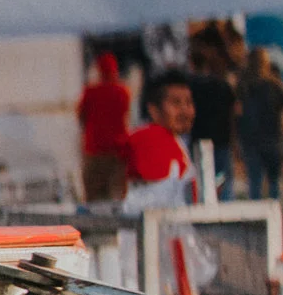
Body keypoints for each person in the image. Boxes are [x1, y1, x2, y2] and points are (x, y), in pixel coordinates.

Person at [122, 70, 196, 209]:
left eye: (188, 102)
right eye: (176, 103)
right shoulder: (149, 139)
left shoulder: (174, 140)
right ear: (154, 110)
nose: (185, 110)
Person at [77, 52, 132, 203]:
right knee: (117, 198)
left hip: (94, 152)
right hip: (117, 152)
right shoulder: (123, 91)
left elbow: (81, 117)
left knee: (93, 199)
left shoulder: (90, 92)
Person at [236, 50, 283, 200]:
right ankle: (277, 214)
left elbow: (237, 112)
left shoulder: (242, 86)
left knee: (255, 181)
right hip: (272, 138)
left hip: (251, 139)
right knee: (275, 181)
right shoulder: (274, 84)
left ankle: (257, 218)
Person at [185, 42, 237, 197]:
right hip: (222, 139)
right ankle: (228, 215)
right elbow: (233, 111)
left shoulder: (190, 86)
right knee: (223, 181)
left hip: (199, 139)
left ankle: (203, 211)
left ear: (192, 63)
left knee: (200, 182)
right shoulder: (222, 85)